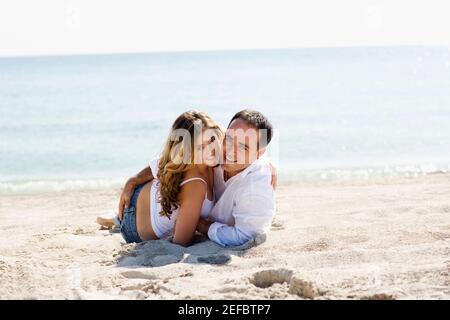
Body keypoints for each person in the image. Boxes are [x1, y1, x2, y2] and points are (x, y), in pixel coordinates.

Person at [97, 110, 223, 246]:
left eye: (211, 139)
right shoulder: (195, 184)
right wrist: (133, 181)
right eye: (200, 146)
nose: (211, 149)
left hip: (150, 203)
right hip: (133, 225)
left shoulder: (217, 154)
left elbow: (162, 164)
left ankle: (116, 218)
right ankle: (120, 219)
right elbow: (180, 242)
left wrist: (134, 180)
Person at [195, 109, 276, 247]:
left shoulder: (256, 188)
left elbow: (243, 236)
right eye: (229, 139)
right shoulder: (216, 146)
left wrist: (201, 224)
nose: (230, 151)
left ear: (258, 154)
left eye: (243, 147)